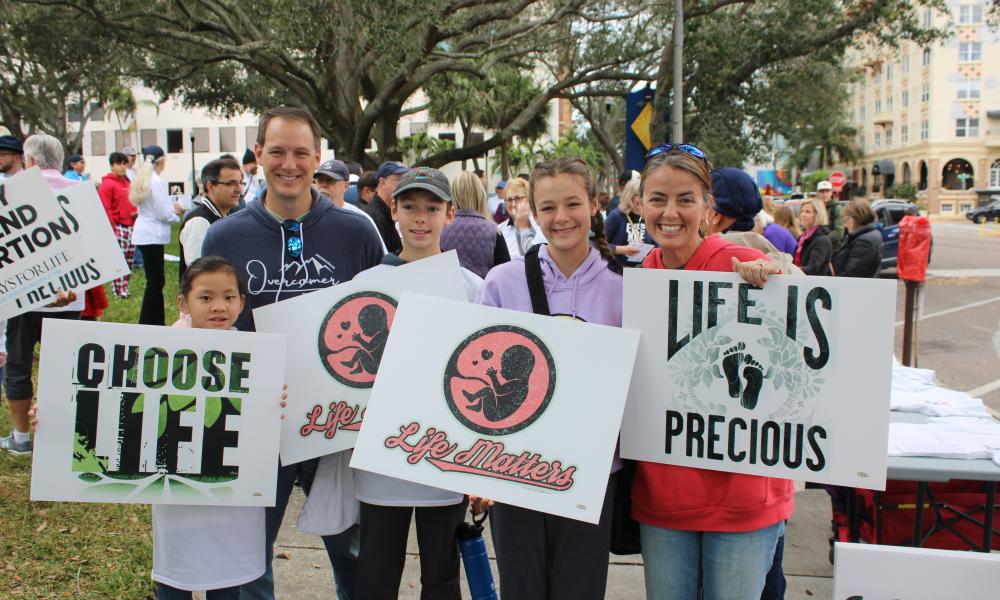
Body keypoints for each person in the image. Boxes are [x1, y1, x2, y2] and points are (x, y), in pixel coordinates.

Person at [201, 106, 383, 600]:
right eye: (277, 151)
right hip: (258, 424)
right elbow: (203, 329)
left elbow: (386, 319)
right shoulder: (224, 236)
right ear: (258, 154)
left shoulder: (356, 232)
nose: (289, 163)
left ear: (318, 157)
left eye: (301, 152)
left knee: (355, 554)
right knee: (248, 560)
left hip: (337, 428)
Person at [634, 143, 789, 600]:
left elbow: (806, 325)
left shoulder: (738, 265)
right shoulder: (645, 272)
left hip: (742, 497)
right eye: (658, 198)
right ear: (640, 204)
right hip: (664, 496)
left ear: (707, 206)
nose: (670, 212)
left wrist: (777, 282)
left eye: (685, 198)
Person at [475, 157, 622, 600]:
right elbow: (479, 369)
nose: (562, 218)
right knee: (521, 588)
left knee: (579, 588)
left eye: (573, 204)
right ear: (532, 212)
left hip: (592, 469)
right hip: (515, 466)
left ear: (595, 204)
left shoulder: (624, 287)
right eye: (549, 207)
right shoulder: (502, 282)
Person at [354, 167, 482, 600]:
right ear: (393, 209)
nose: (420, 218)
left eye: (432, 207)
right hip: (381, 461)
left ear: (451, 213)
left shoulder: (473, 289)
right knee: (376, 575)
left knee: (443, 579)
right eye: (410, 206)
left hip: (446, 464)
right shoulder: (367, 284)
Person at [152, 256, 271, 599]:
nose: (219, 307)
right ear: (183, 303)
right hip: (178, 496)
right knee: (175, 581)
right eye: (206, 297)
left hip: (232, 497)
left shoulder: (255, 354)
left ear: (242, 303)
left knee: (228, 579)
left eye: (229, 297)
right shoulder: (159, 353)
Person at [0, 134, 81, 455]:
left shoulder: (9, 193)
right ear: (59, 161)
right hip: (72, 295)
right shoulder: (81, 191)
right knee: (64, 368)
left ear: (29, 160)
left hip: (22, 297)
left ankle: (21, 438)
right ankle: (59, 439)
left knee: (18, 365)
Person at [130, 144, 185, 325]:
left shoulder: (143, 178)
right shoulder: (156, 181)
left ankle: (151, 320)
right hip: (153, 233)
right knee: (155, 282)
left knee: (153, 281)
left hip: (144, 232)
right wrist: (176, 214)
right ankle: (152, 322)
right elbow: (163, 212)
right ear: (161, 161)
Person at [179, 157, 243, 278]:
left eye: (240, 183)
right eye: (231, 183)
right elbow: (199, 273)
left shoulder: (225, 218)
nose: (239, 189)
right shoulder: (199, 222)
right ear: (210, 186)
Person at [441, 171, 510, 277]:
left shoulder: (440, 228)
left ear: (452, 194)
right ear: (480, 194)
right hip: (483, 292)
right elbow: (505, 275)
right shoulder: (493, 231)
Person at [313, 160, 386, 252]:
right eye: (320, 180)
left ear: (346, 186)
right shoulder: (306, 215)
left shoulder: (361, 219)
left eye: (330, 180)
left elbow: (380, 256)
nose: (323, 185)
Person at [98, 152, 137, 298]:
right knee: (118, 261)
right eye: (118, 164)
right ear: (112, 165)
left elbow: (132, 202)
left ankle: (124, 288)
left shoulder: (128, 183)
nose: (122, 167)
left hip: (130, 225)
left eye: (124, 164)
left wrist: (135, 213)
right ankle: (118, 291)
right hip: (118, 226)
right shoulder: (107, 184)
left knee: (129, 260)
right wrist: (112, 228)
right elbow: (105, 208)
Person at [362, 161, 408, 254]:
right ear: (382, 182)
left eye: (407, 180)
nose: (406, 184)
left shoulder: (388, 213)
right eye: (400, 180)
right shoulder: (371, 216)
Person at [604, 178, 650, 267]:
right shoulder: (616, 216)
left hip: (644, 272)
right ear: (630, 196)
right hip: (618, 272)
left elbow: (659, 247)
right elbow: (597, 244)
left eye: (646, 195)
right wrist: (620, 249)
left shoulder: (650, 216)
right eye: (639, 195)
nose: (642, 199)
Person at [832, 199, 883, 278]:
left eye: (847, 219)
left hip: (854, 288)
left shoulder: (864, 241)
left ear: (856, 218)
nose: (845, 225)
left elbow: (852, 274)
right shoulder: (866, 234)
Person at [498, 177, 546, 258]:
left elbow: (537, 256)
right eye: (509, 200)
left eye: (518, 198)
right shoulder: (500, 230)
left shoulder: (541, 225)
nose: (513, 204)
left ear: (529, 200)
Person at [794, 197, 834, 276]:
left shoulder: (822, 240)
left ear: (817, 214)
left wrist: (792, 270)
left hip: (816, 285)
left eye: (808, 212)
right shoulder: (803, 237)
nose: (803, 215)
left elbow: (813, 268)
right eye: (802, 211)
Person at [815, 181, 845, 251]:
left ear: (831, 193)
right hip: (818, 248)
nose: (824, 194)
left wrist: (821, 240)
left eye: (827, 191)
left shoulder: (836, 208)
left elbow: (839, 232)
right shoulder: (814, 207)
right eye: (822, 191)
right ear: (817, 193)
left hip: (833, 250)